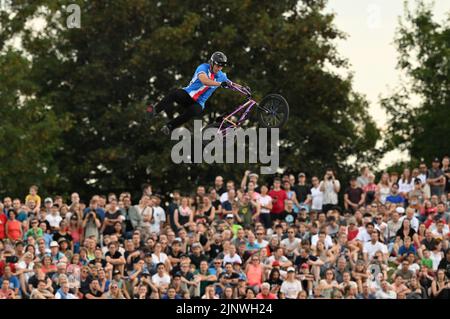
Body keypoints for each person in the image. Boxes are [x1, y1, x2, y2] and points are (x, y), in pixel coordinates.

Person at [148, 52, 242, 135]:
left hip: (198, 103)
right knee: (175, 93)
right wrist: (220, 84)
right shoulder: (203, 67)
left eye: (221, 67)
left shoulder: (222, 76)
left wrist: (243, 89)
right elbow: (205, 81)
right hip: (188, 95)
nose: (219, 68)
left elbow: (232, 85)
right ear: (212, 63)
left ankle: (169, 127)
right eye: (217, 66)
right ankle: (155, 110)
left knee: (195, 111)